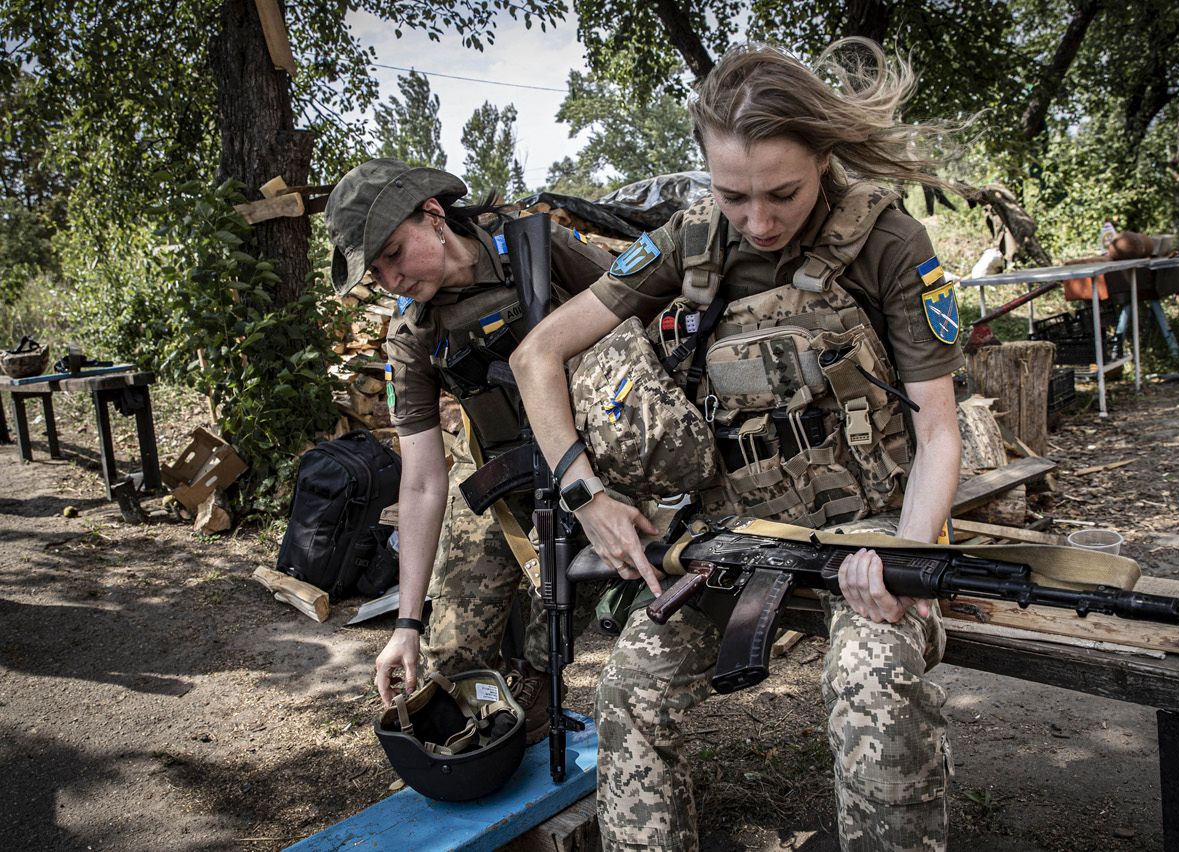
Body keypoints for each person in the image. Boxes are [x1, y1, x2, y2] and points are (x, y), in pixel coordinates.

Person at [512, 40, 962, 851]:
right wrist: (588, 499)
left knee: (873, 680)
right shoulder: (689, 241)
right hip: (735, 538)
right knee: (628, 692)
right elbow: (536, 355)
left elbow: (936, 429)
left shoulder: (889, 241)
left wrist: (905, 556)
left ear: (822, 157)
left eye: (781, 193)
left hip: (871, 528)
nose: (756, 221)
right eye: (732, 195)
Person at [325, 159, 612, 736]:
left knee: (563, 601)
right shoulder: (411, 334)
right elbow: (422, 480)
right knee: (451, 658)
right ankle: (486, 708)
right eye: (376, 272)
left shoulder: (535, 245)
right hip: (499, 474)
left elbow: (642, 304)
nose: (391, 280)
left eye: (394, 254)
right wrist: (406, 623)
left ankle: (535, 680)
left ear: (433, 215)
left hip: (596, 458)